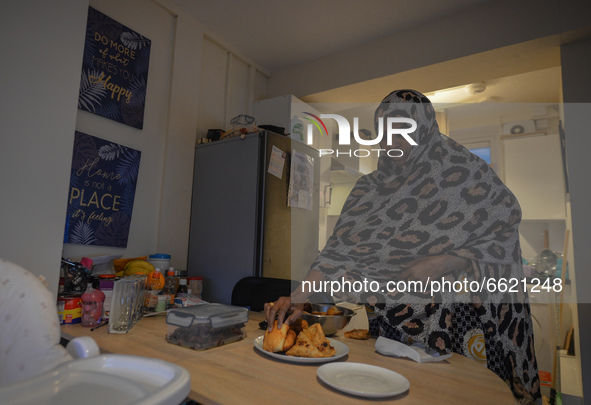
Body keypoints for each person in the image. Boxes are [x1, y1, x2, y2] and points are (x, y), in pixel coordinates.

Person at [266, 89, 540, 404]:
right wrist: (299, 297)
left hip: (459, 326)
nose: (391, 141)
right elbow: (335, 255)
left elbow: (504, 221)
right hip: (392, 327)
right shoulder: (367, 190)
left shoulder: (465, 175)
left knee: (453, 395)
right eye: (385, 132)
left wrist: (445, 262)